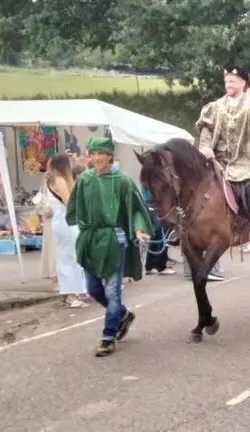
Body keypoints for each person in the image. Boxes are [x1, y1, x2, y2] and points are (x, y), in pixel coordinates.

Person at [66, 136, 152, 357]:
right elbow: (75, 207)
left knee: (112, 291)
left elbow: (136, 208)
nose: (96, 158)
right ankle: (123, 315)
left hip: (115, 239)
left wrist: (139, 229)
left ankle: (108, 336)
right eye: (92, 153)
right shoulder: (84, 179)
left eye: (100, 154)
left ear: (110, 156)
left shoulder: (122, 180)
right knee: (93, 288)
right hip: (90, 238)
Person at [195, 65, 250, 247]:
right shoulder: (215, 107)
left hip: (245, 159)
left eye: (232, 81)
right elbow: (207, 129)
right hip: (218, 158)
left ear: (243, 83)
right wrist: (205, 148)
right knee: (194, 180)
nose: (228, 84)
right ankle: (184, 225)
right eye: (226, 81)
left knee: (249, 183)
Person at [47, 153, 89, 308]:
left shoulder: (53, 179)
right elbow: (69, 202)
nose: (72, 165)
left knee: (66, 257)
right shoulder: (60, 180)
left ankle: (69, 294)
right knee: (71, 258)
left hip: (61, 222)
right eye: (70, 162)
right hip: (66, 223)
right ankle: (71, 295)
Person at [141, 187, 176, 275]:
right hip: (159, 209)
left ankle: (150, 266)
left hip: (150, 208)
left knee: (155, 236)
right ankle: (161, 267)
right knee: (163, 237)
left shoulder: (146, 182)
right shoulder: (155, 183)